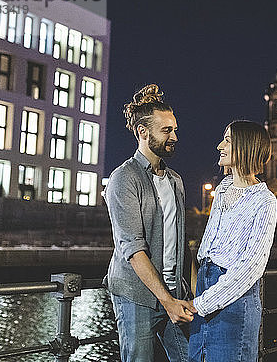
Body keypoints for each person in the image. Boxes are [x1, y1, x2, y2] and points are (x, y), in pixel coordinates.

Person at [103, 84, 196, 362]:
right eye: (166, 130)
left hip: (176, 294)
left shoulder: (176, 181)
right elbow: (132, 248)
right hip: (137, 298)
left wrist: (195, 293)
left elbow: (183, 242)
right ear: (143, 132)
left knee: (193, 358)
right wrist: (166, 301)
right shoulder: (124, 178)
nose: (174, 136)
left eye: (175, 129)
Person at [189, 120, 277, 362]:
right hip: (204, 290)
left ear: (245, 147)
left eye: (227, 140)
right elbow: (207, 247)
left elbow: (251, 267)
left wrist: (200, 304)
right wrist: (199, 294)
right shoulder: (223, 189)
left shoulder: (265, 201)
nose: (220, 145)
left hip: (234, 302)